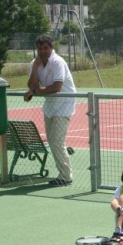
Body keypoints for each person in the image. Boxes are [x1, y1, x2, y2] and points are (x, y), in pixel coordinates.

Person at [24, 34, 76, 187]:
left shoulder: (58, 62)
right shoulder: (35, 63)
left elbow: (56, 87)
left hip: (64, 105)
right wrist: (35, 68)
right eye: (40, 48)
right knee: (53, 141)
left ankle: (66, 176)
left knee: (56, 141)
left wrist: (34, 92)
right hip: (50, 106)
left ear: (51, 48)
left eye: (46, 48)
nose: (43, 51)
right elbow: (32, 85)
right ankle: (64, 174)